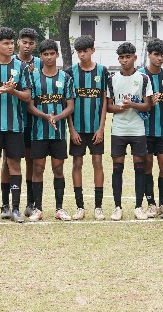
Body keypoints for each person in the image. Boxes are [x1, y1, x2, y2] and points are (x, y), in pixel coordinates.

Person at [25, 39, 76, 220]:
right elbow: (30, 106)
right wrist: (46, 117)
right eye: (45, 54)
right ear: (40, 56)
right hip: (38, 132)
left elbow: (70, 106)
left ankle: (59, 208)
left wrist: (56, 117)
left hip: (58, 133)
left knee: (58, 168)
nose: (49, 57)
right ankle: (37, 209)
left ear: (57, 55)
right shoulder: (33, 78)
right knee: (38, 168)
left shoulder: (66, 78)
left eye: (52, 54)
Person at [0, 28, 30, 223]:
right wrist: (0, 90)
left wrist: (13, 91)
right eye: (6, 43)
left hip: (14, 126)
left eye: (12, 43)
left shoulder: (21, 67)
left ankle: (16, 208)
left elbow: (27, 96)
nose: (10, 46)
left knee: (14, 165)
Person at [105, 41, 153, 220]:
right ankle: (117, 207)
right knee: (117, 168)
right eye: (121, 57)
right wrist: (121, 107)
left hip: (137, 129)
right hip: (118, 129)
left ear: (135, 58)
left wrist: (132, 104)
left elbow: (148, 106)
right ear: (118, 59)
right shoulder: (112, 79)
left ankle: (138, 206)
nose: (124, 60)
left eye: (128, 57)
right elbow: (108, 106)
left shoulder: (143, 78)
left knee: (140, 168)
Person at [68, 35, 108, 220]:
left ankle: (98, 207)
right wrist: (72, 129)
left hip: (95, 128)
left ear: (93, 50)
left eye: (85, 51)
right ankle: (80, 207)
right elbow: (68, 103)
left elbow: (104, 101)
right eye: (79, 52)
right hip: (77, 128)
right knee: (77, 164)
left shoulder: (102, 71)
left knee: (97, 163)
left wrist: (101, 128)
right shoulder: (70, 72)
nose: (82, 54)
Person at [4, 27, 41, 217]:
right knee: (8, 161)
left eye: (31, 43)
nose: (27, 46)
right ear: (18, 42)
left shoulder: (40, 63)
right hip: (12, 120)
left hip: (33, 121)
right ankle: (5, 204)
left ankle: (30, 203)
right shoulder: (10, 61)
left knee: (31, 161)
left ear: (35, 45)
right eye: (24, 42)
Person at [140, 39, 163, 217]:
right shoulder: (139, 75)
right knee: (147, 166)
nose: (160, 58)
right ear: (149, 54)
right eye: (156, 55)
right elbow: (135, 103)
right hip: (144, 130)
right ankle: (151, 203)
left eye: (162, 55)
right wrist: (148, 103)